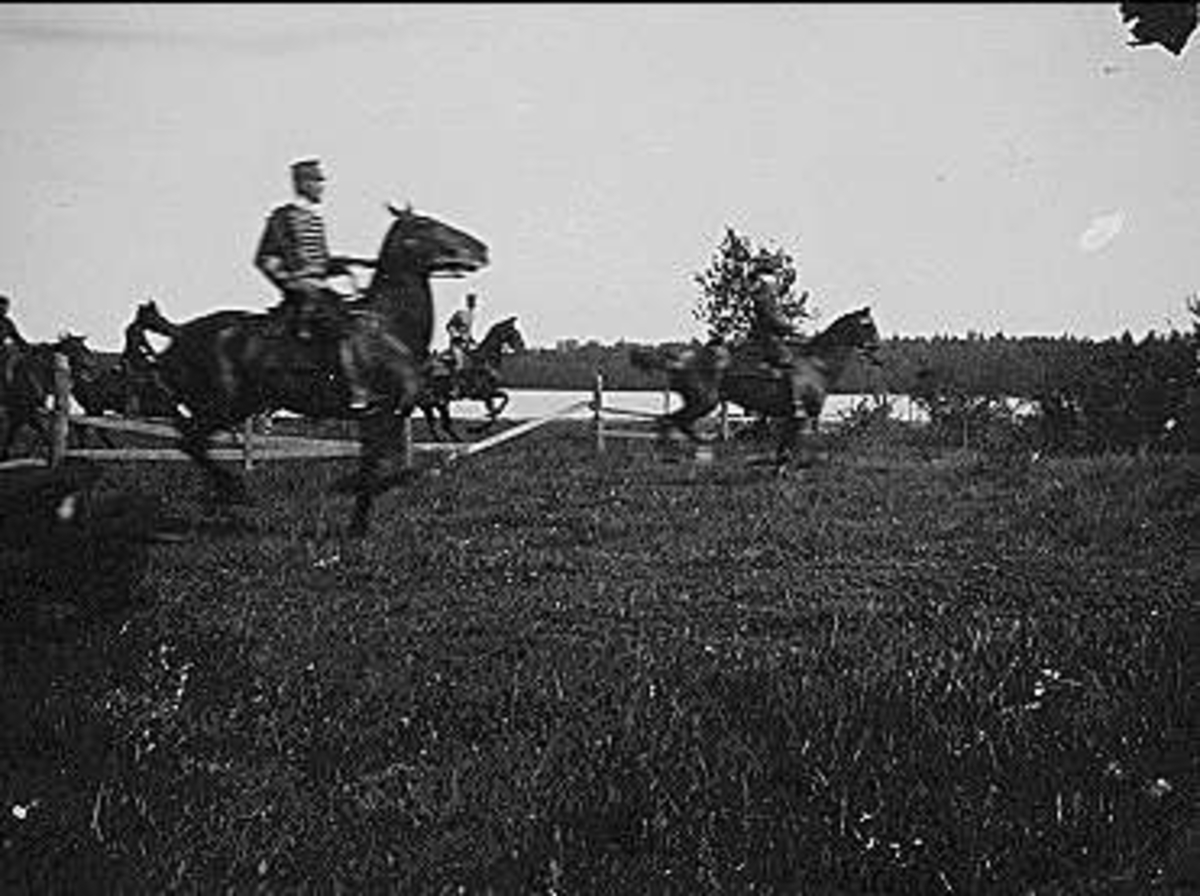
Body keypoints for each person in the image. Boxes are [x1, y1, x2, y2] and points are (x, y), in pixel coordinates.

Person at [253, 157, 379, 411]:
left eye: (321, 181)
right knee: (343, 329)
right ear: (302, 184)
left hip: (321, 291)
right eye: (316, 181)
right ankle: (356, 391)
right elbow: (265, 259)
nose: (321, 186)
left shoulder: (315, 219)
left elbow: (321, 263)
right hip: (302, 294)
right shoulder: (283, 217)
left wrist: (354, 264)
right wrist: (291, 282)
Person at [745, 262, 808, 415]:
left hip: (770, 335)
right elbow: (772, 319)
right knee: (790, 364)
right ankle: (795, 403)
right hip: (769, 338)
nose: (776, 284)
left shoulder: (766, 296)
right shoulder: (765, 298)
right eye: (774, 280)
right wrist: (789, 328)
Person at [0, 293, 30, 388]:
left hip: (3, 348)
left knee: (17, 353)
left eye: (6, 307)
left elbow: (16, 337)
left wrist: (27, 346)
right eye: (2, 306)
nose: (5, 309)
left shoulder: (7, 322)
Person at [446, 292, 478, 372]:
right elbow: (449, 326)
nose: (472, 304)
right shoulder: (460, 314)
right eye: (470, 301)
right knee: (459, 362)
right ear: (467, 302)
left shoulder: (471, 315)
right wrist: (457, 334)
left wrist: (472, 340)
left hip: (467, 344)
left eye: (473, 302)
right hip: (457, 343)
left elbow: (468, 332)